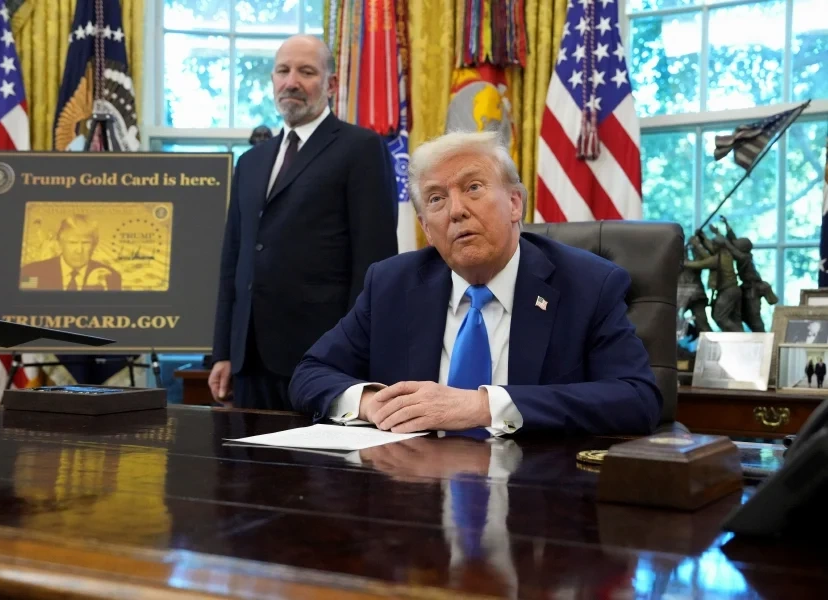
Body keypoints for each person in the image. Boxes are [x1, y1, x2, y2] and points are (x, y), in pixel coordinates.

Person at [289, 131, 662, 435]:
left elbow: (637, 398)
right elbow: (310, 374)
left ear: (514, 203)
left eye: (473, 188)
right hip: (415, 489)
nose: (456, 211)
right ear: (426, 229)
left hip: (534, 489)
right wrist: (372, 403)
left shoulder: (588, 284)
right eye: (436, 198)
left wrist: (483, 406)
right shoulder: (390, 284)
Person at [209, 35, 398, 410]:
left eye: (306, 72)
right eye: (283, 71)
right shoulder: (250, 162)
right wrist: (224, 352)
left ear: (331, 84)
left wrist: (355, 354)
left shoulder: (361, 148)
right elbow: (234, 262)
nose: (291, 81)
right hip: (249, 363)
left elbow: (373, 261)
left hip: (323, 360)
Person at [19, 215, 121, 291]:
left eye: (86, 243)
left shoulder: (111, 277)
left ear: (94, 245)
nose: (79, 250)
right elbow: (25, 304)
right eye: (72, 242)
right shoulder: (31, 272)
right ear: (60, 243)